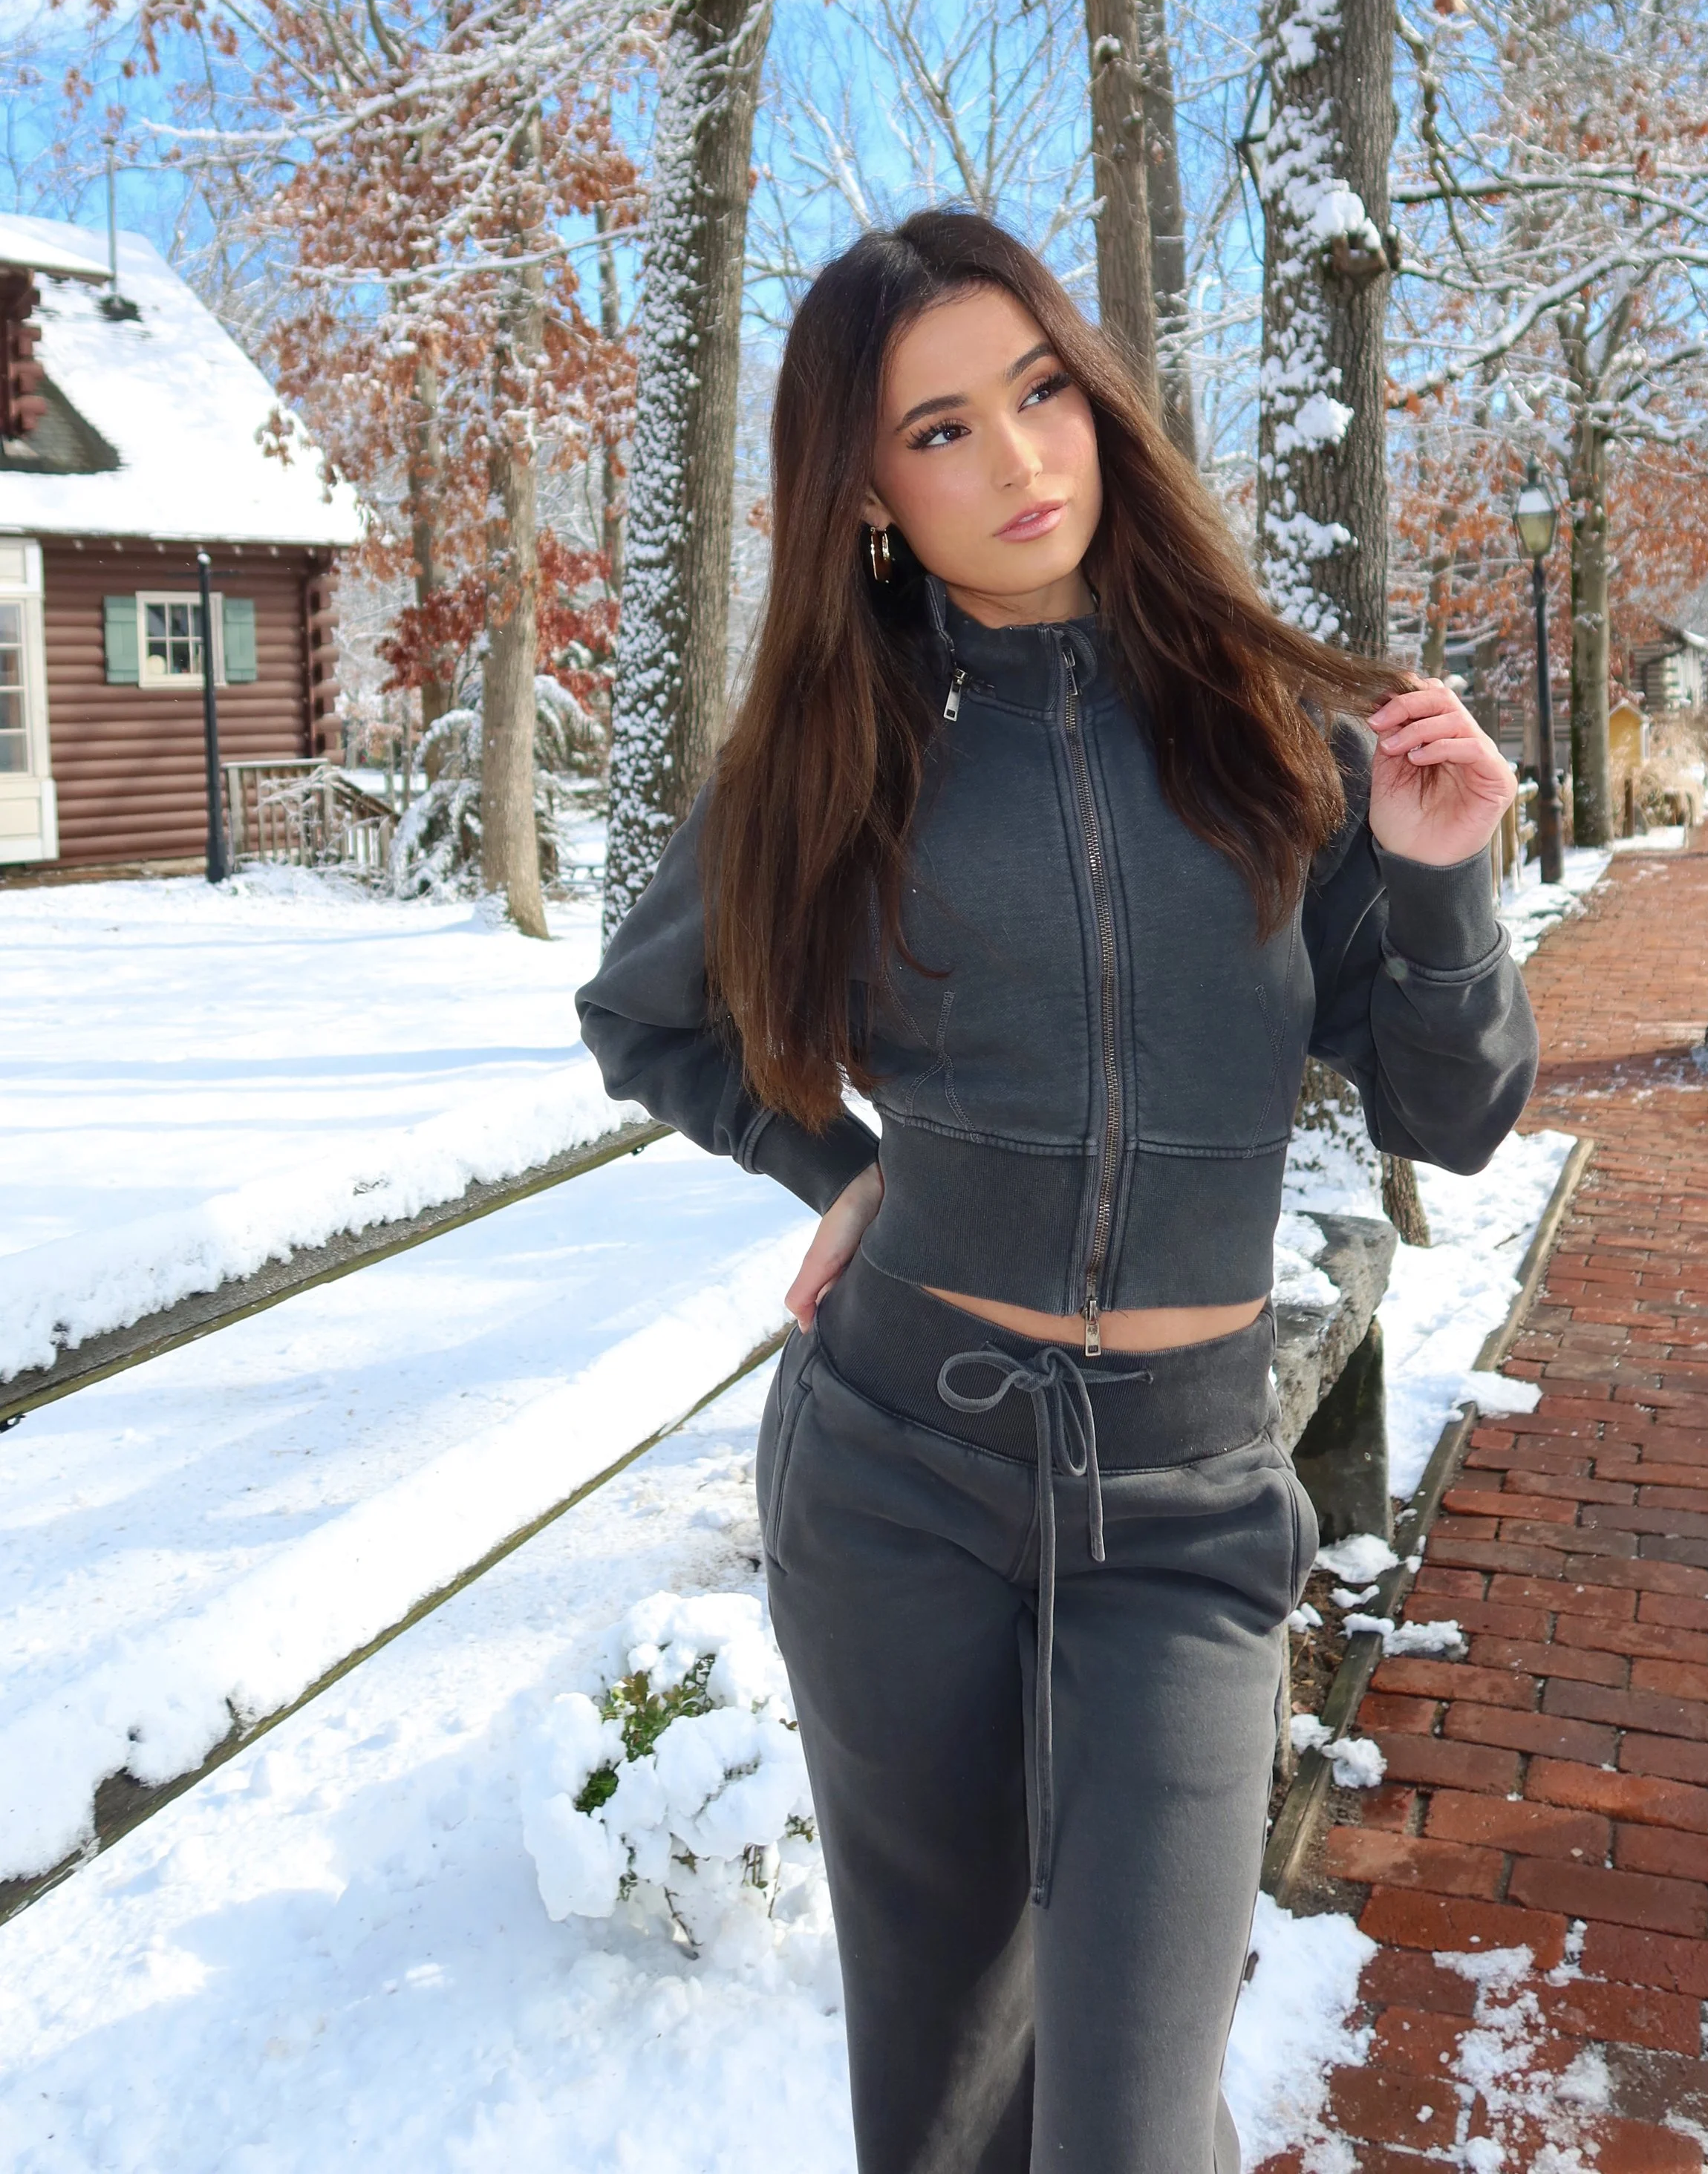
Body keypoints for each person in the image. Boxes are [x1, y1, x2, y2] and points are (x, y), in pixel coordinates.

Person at [577, 212, 1536, 2174]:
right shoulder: (831, 751)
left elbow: (1454, 1114)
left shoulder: (1271, 731)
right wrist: (831, 1169)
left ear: (1096, 400)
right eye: (939, 429)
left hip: (1183, 1506)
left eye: (1037, 393)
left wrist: (1440, 882)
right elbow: (646, 1013)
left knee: (1125, 2123)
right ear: (861, 487)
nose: (1017, 464)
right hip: (896, 1475)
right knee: (941, 2099)